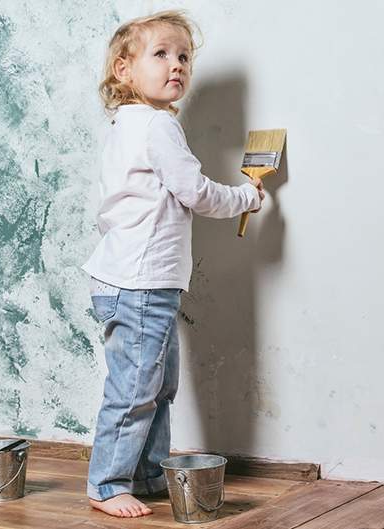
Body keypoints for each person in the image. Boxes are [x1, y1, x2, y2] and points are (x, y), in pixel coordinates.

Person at [81, 10, 264, 518]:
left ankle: (146, 472)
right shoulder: (157, 125)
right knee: (137, 389)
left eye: (184, 56)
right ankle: (107, 483)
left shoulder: (127, 125)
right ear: (124, 70)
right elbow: (194, 191)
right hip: (139, 283)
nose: (177, 65)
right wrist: (245, 197)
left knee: (158, 386)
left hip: (136, 281)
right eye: (160, 54)